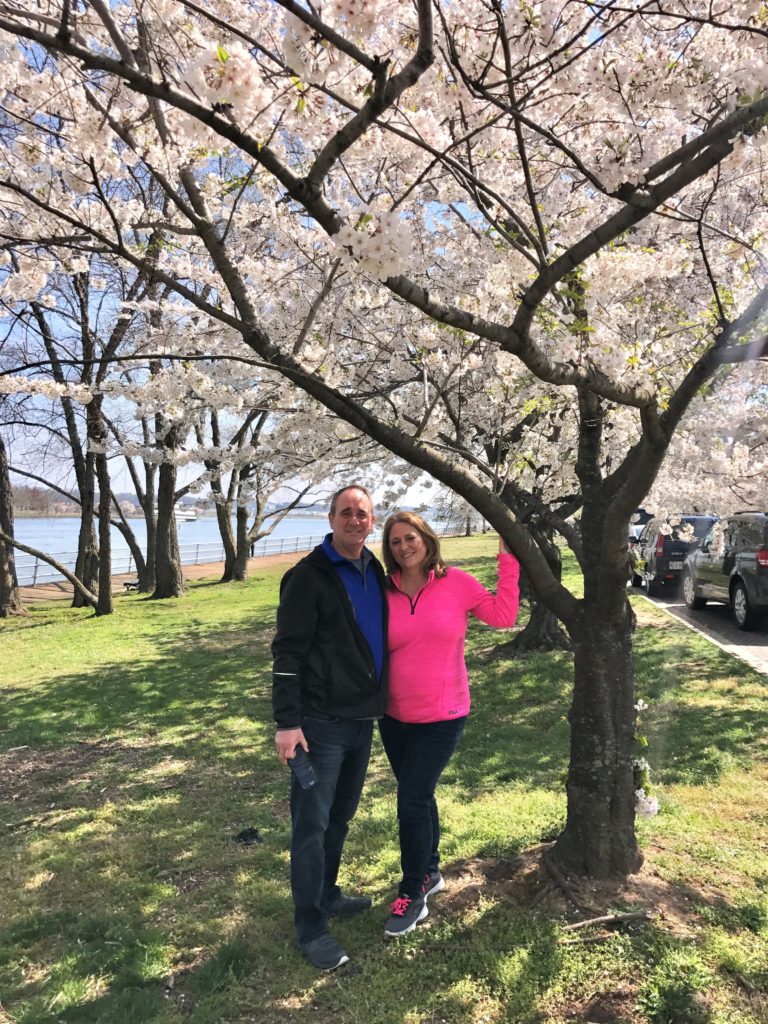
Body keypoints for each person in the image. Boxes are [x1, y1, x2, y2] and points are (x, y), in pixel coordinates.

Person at [379, 511, 520, 937]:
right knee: (419, 798)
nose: (404, 546)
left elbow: (503, 615)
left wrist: (508, 558)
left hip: (443, 714)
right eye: (396, 541)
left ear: (427, 538)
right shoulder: (384, 590)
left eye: (411, 537)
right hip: (393, 715)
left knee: (411, 800)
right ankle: (431, 872)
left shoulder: (456, 583)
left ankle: (412, 892)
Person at [271, 484, 388, 971]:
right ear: (331, 517)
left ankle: (328, 892)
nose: (354, 520)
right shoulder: (308, 577)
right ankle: (311, 925)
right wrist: (286, 723)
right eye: (346, 512)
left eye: (362, 513)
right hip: (320, 725)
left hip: (362, 721)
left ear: (372, 520)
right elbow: (287, 652)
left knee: (339, 818)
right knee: (312, 826)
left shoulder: (374, 568)